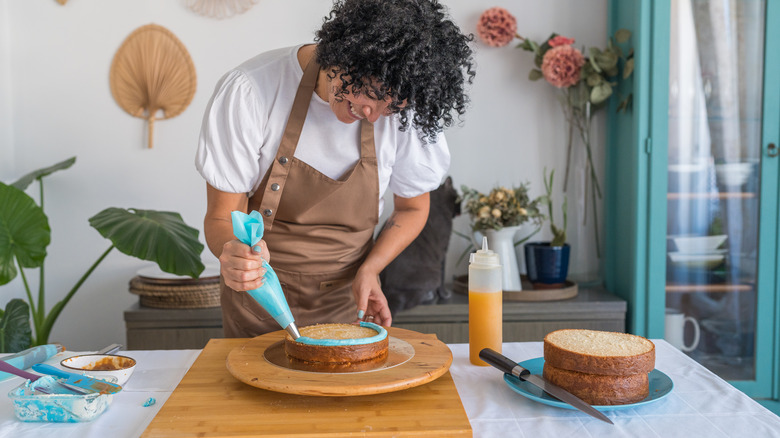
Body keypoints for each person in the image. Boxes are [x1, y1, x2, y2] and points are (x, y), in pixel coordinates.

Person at [196, 0, 475, 338]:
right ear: (348, 54)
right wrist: (234, 252)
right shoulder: (252, 91)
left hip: (346, 308)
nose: (373, 114)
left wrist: (372, 268)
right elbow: (222, 217)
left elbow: (414, 207)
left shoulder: (401, 112)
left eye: (391, 108)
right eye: (371, 93)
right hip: (257, 302)